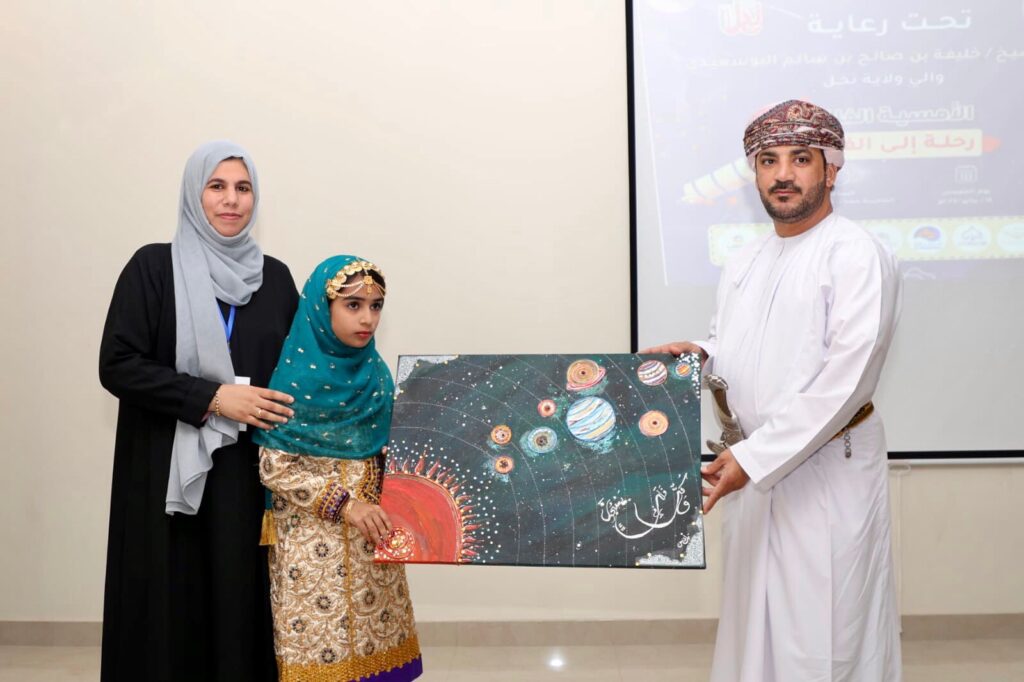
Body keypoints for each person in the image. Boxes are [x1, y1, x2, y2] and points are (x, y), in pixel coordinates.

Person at [645, 100, 902, 681]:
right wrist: (700, 354)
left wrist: (754, 459)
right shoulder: (745, 258)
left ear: (831, 170)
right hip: (754, 469)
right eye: (768, 161)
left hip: (826, 475)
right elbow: (734, 342)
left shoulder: (857, 254)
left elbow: (847, 378)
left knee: (825, 632)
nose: (783, 174)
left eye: (800, 159)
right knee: (754, 634)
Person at [98, 141, 298, 681]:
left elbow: (301, 373)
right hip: (167, 474)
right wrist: (211, 397)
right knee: (170, 606)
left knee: (239, 604)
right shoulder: (152, 268)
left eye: (243, 188)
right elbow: (118, 365)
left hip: (246, 478)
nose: (231, 200)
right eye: (217, 186)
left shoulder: (276, 279)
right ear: (194, 194)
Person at [254, 255, 423, 681]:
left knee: (378, 645)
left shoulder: (376, 375)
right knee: (320, 653)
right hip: (312, 546)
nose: (368, 318)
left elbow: (389, 452)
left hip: (373, 541)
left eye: (376, 305)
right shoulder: (293, 381)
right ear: (321, 308)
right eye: (353, 305)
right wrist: (347, 505)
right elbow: (274, 468)